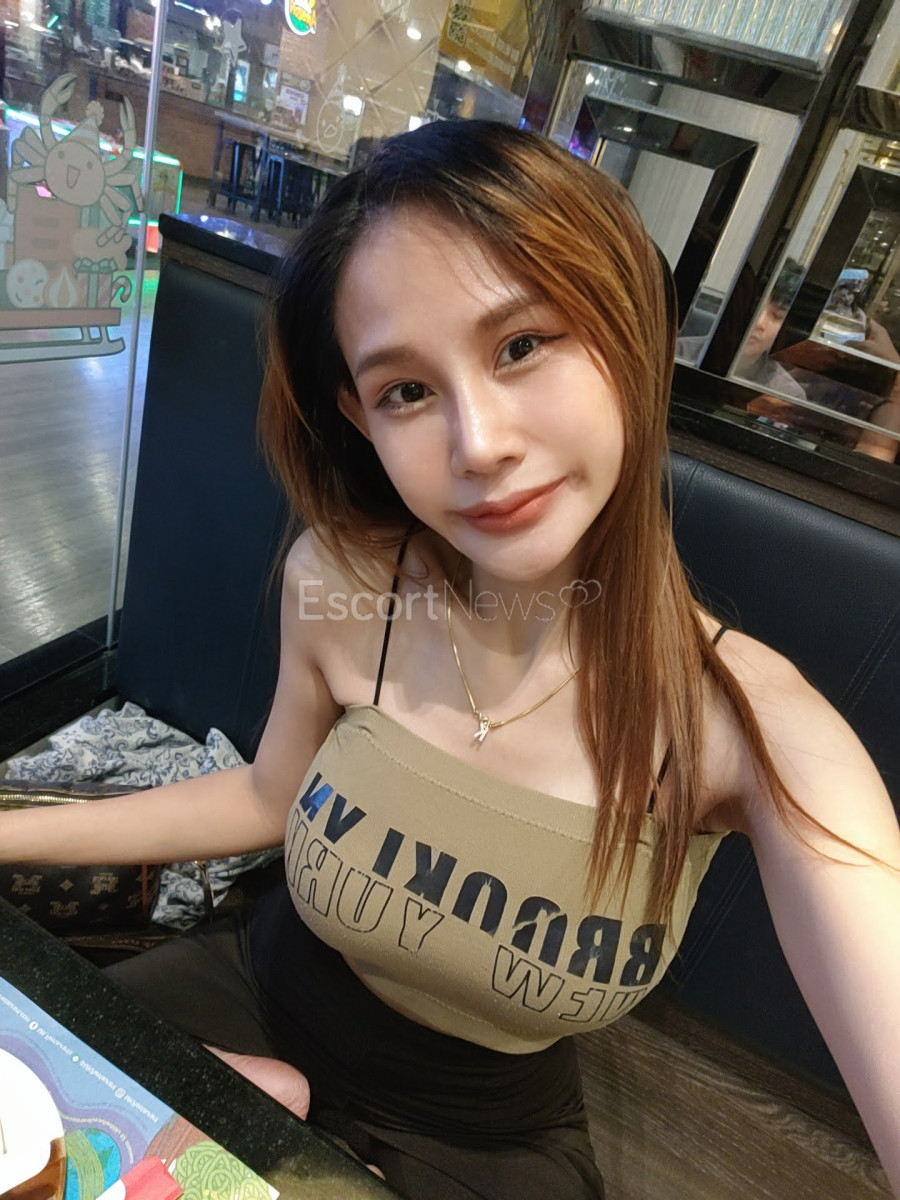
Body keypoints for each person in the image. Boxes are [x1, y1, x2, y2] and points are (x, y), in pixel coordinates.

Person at [2, 120, 899, 1200]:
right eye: (407, 392)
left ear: (626, 330)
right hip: (251, 994)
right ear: (359, 416)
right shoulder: (344, 581)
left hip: (481, 1135)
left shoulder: (749, 726)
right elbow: (266, 796)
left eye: (522, 345)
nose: (480, 444)